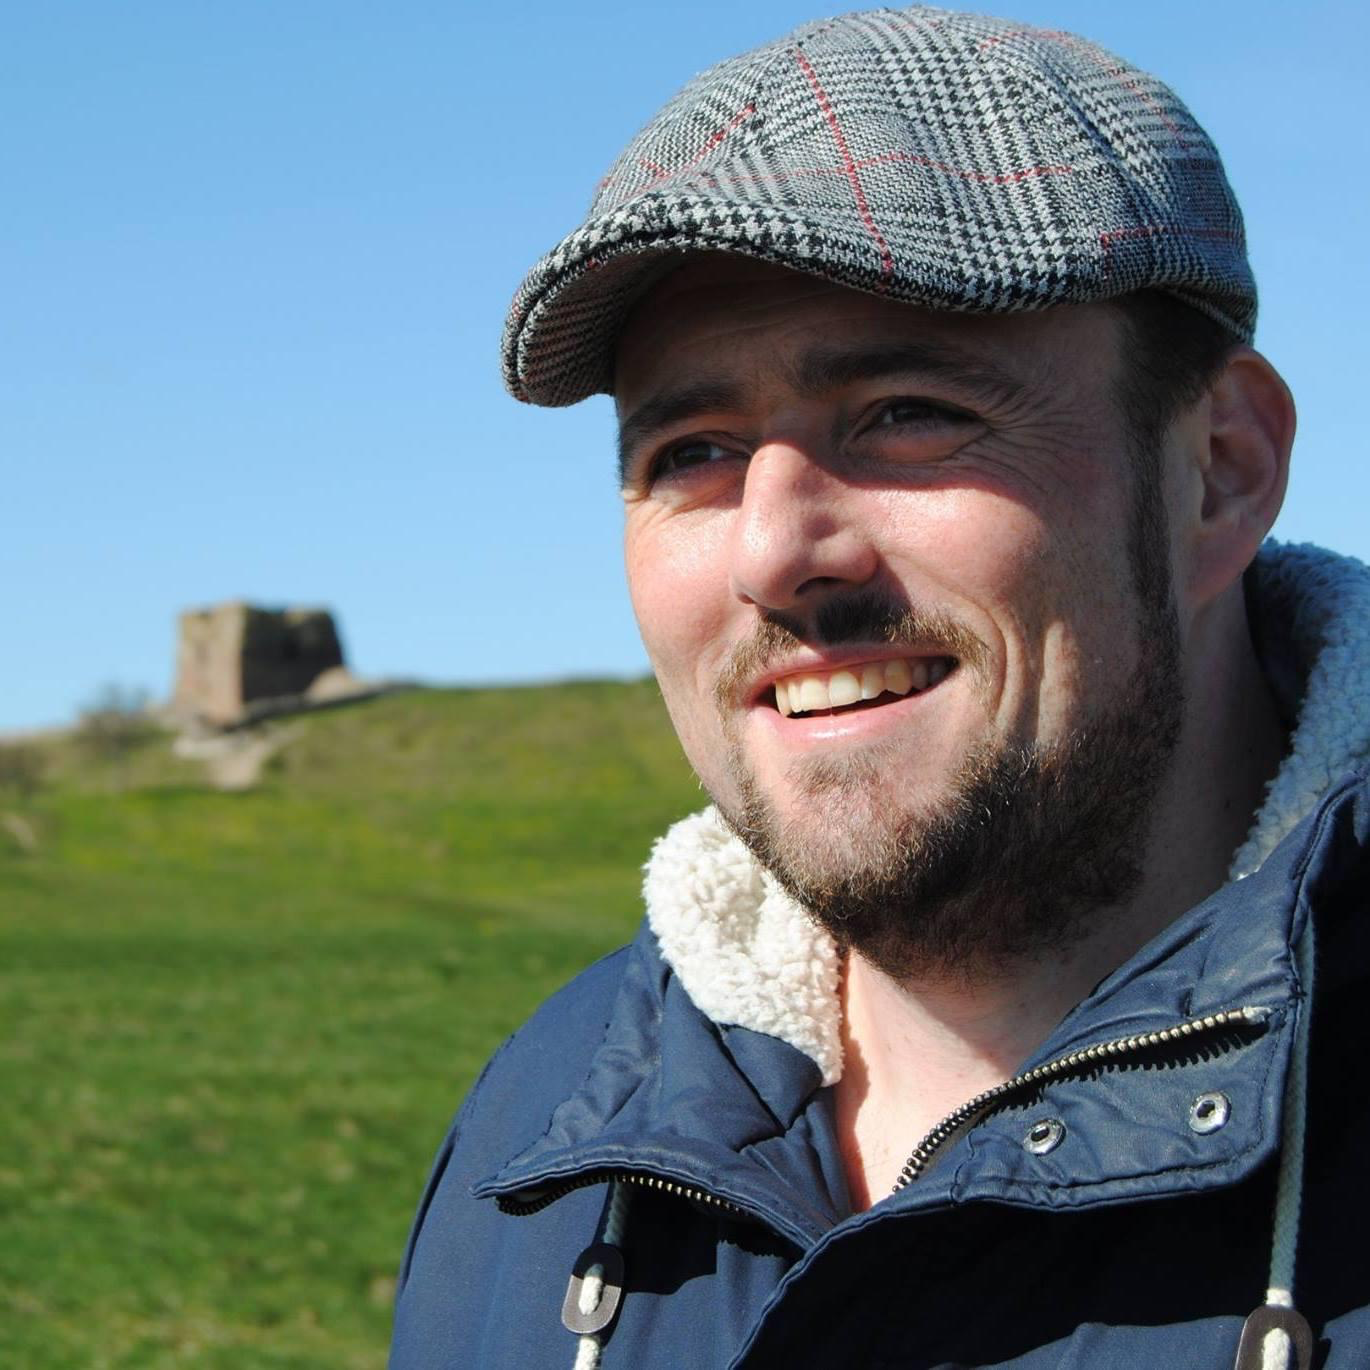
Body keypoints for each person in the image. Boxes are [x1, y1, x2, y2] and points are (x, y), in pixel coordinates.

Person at [390, 9, 1370, 1368]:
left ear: (1221, 469)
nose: (774, 553)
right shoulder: (547, 1140)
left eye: (910, 413)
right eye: (692, 450)